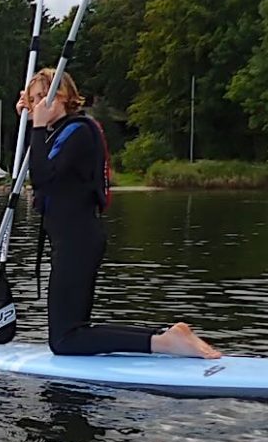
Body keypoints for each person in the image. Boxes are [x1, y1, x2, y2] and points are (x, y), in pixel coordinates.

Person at [17, 68, 221, 359]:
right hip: (70, 240)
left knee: (64, 340)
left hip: (79, 240)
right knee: (71, 331)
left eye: (44, 97)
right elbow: (36, 160)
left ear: (63, 98)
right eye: (33, 99)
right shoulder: (58, 134)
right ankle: (167, 338)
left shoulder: (78, 132)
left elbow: (41, 176)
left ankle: (164, 343)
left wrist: (35, 126)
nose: (38, 104)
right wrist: (26, 123)